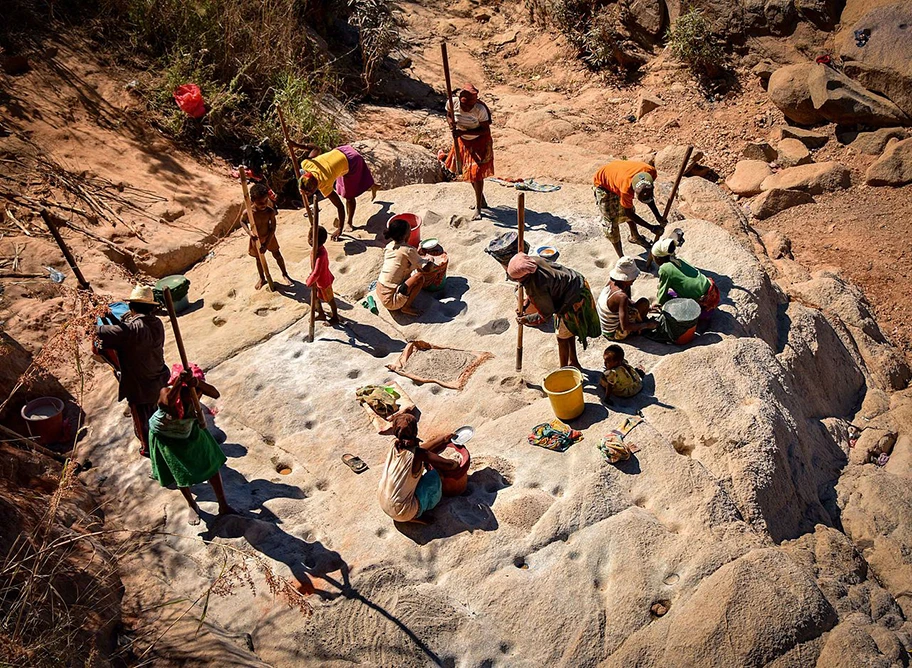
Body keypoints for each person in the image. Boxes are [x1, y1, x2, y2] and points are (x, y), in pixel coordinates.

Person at [148, 364, 236, 525]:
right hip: (166, 435)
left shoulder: (196, 389)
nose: (194, 395)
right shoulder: (167, 392)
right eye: (187, 390)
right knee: (180, 471)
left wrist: (197, 383)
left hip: (189, 429)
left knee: (211, 463)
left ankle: (223, 504)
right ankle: (192, 504)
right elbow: (167, 403)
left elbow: (215, 393)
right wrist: (179, 382)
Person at [96, 285, 169, 458]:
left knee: (143, 421)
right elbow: (127, 332)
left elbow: (97, 334)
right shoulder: (156, 323)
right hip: (158, 379)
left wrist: (91, 314)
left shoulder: (132, 331)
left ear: (131, 308)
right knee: (160, 416)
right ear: (151, 308)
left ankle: (148, 449)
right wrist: (110, 317)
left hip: (140, 387)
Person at [510, 252, 601, 370]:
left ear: (525, 276)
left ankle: (564, 370)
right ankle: (573, 360)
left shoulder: (538, 286)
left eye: (515, 279)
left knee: (561, 337)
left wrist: (526, 319)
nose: (514, 280)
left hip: (573, 299)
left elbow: (546, 314)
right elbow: (533, 296)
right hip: (577, 282)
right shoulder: (533, 261)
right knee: (568, 330)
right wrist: (526, 304)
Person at [378, 413, 458, 523]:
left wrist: (442, 440)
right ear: (415, 432)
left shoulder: (395, 444)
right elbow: (448, 465)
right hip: (402, 511)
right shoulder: (418, 454)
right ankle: (413, 515)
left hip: (384, 502)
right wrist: (455, 463)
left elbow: (418, 449)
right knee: (437, 475)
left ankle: (405, 512)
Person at [290, 141, 378, 241]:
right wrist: (296, 145)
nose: (307, 195)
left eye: (308, 192)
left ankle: (349, 222)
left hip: (352, 161)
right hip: (343, 150)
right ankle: (372, 185)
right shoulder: (307, 164)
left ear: (315, 186)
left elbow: (340, 207)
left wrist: (339, 229)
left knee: (349, 196)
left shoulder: (324, 184)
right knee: (342, 185)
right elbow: (316, 149)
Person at [593, 160, 666, 257]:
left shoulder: (651, 172)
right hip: (603, 184)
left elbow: (648, 197)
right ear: (633, 190)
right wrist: (651, 227)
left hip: (618, 176)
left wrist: (658, 216)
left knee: (628, 209)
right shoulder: (626, 190)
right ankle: (621, 257)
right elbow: (629, 214)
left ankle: (635, 237)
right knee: (611, 222)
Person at [445, 84, 494, 220]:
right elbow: (449, 115)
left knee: (477, 173)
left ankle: (478, 208)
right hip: (463, 141)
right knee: (469, 172)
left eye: (471, 105)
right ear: (460, 100)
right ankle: (481, 199)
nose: (468, 109)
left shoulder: (480, 109)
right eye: (466, 105)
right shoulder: (452, 103)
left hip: (479, 142)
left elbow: (485, 130)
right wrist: (451, 124)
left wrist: (463, 131)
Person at [376, 217, 433, 317]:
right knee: (419, 277)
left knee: (410, 273)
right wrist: (430, 260)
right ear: (406, 235)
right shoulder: (408, 250)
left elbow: (401, 259)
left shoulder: (389, 246)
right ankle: (406, 306)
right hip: (391, 300)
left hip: (380, 289)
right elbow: (426, 268)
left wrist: (417, 254)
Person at [652, 239, 720, 320]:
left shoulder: (665, 268)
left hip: (702, 310)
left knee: (670, 303)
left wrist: (660, 305)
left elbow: (662, 295)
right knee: (672, 293)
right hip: (713, 298)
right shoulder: (679, 260)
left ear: (658, 258)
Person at [597, 256, 657, 341]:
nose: (635, 278)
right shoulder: (621, 297)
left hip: (604, 327)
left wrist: (649, 309)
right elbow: (625, 327)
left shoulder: (612, 283)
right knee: (643, 305)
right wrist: (647, 325)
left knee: (644, 303)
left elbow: (625, 303)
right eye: (633, 276)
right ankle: (638, 331)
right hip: (613, 333)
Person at [247, 183, 292, 289]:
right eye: (260, 202)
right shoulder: (250, 213)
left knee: (277, 255)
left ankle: (285, 273)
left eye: (265, 201)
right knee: (259, 259)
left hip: (269, 237)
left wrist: (266, 244)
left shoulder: (270, 211)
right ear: (253, 200)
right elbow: (242, 221)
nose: (263, 204)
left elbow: (273, 228)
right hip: (256, 238)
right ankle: (262, 278)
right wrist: (249, 232)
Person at [306, 225, 339, 325]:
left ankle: (335, 317)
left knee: (329, 299)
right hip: (318, 281)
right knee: (314, 296)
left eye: (310, 238)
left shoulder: (321, 254)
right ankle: (321, 313)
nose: (308, 240)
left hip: (324, 281)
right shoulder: (316, 250)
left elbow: (317, 272)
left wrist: (309, 281)